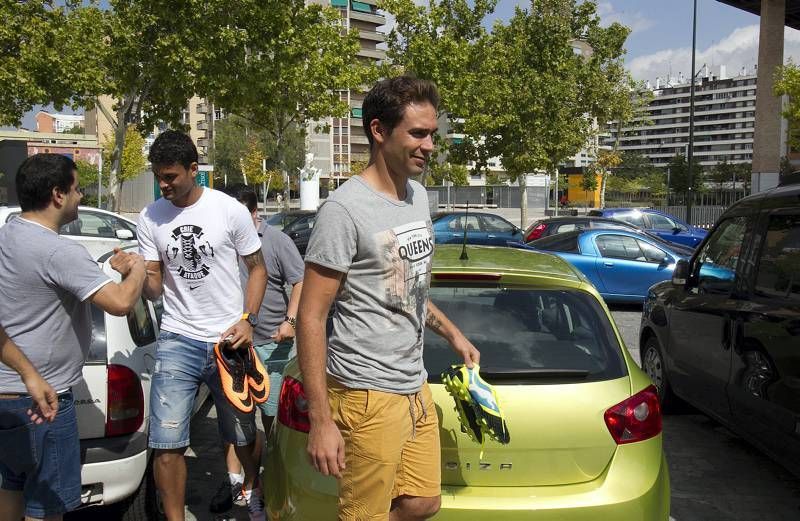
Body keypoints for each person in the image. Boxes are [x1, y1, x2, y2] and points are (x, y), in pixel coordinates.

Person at [297, 76, 480, 520]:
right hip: (364, 393)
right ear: (379, 131)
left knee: (422, 502)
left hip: (412, 383)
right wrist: (321, 421)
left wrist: (453, 334)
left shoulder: (417, 196)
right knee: (364, 514)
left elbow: (407, 288)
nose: (430, 145)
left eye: (432, 133)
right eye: (417, 133)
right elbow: (310, 317)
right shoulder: (343, 211)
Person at [0, 153, 146, 521]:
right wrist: (138, 269)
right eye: (78, 189)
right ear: (57, 195)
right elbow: (120, 304)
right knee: (47, 507)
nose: (81, 197)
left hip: (6, 393)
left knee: (9, 487)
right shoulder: (59, 250)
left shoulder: (8, 236)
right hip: (42, 402)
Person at [137, 131, 268, 521]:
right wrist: (137, 274)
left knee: (242, 435)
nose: (164, 185)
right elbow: (156, 286)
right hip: (178, 338)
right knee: (167, 441)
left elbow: (257, 269)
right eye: (159, 176)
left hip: (229, 342)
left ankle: (253, 488)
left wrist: (248, 320)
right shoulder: (150, 217)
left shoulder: (229, 210)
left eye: (171, 177)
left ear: (194, 170)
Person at [209, 190, 305, 514]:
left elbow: (300, 281)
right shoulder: (222, 241)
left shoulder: (275, 241)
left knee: (273, 420)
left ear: (253, 215)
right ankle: (240, 482)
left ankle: (276, 480)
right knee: (235, 422)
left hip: (274, 346)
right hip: (234, 351)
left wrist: (290, 321)